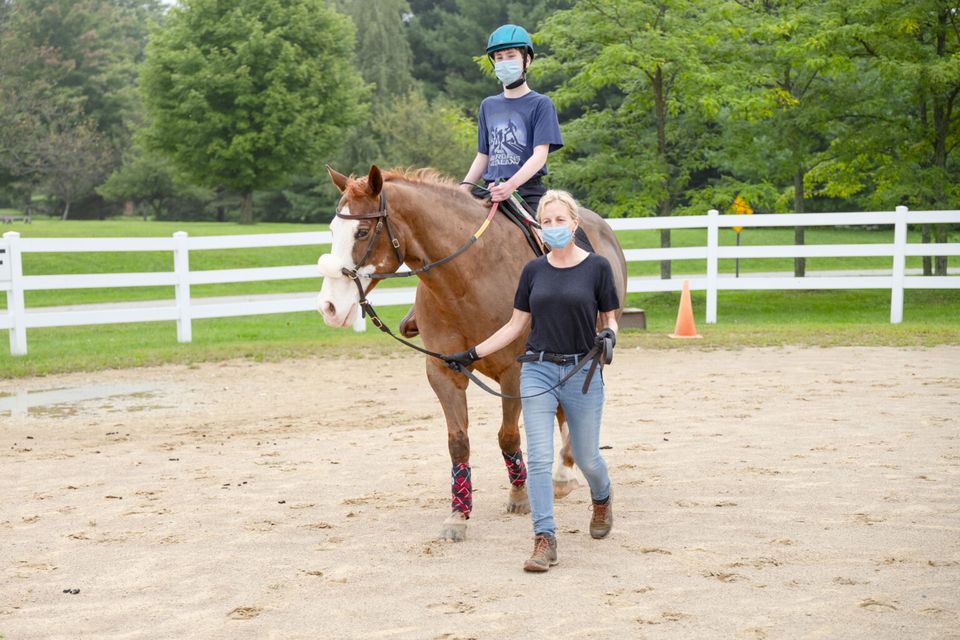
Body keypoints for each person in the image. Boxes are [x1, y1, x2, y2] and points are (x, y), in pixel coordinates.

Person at [441, 190, 619, 573]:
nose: (553, 227)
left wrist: (609, 335)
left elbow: (610, 317)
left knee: (587, 457)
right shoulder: (533, 271)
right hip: (538, 370)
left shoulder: (597, 268)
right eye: (547, 221)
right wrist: (471, 353)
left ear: (574, 223)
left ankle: (602, 497)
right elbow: (515, 324)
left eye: (560, 220)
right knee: (538, 459)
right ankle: (544, 538)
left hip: (581, 371)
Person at [399, 24, 563, 339]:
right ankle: (425, 307)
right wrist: (460, 191)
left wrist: (512, 185)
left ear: (527, 60)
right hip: (489, 192)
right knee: (445, 238)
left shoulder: (541, 104)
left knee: (551, 240)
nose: (504, 62)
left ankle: (562, 307)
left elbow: (539, 155)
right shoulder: (489, 105)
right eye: (498, 57)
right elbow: (483, 156)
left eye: (510, 55)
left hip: (526, 193)